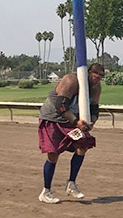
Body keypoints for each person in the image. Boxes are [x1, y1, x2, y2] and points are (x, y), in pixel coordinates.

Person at [37, 63, 105, 203]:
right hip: (53, 118)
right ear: (88, 72)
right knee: (54, 153)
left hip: (71, 119)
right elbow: (59, 106)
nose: (98, 77)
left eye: (101, 75)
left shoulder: (96, 87)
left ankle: (71, 183)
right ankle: (46, 191)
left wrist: (92, 121)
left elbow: (95, 108)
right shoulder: (71, 80)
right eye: (95, 73)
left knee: (83, 144)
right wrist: (76, 122)